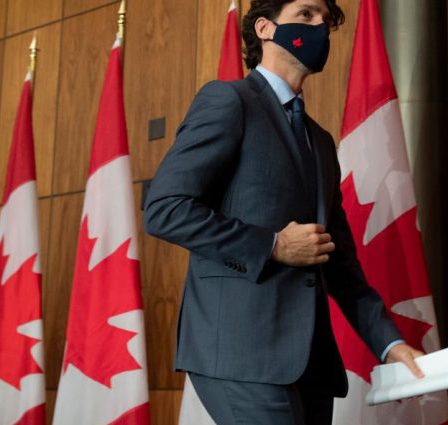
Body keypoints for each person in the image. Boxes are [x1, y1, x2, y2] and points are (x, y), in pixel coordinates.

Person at [144, 0, 424, 423]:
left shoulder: (321, 142)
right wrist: (272, 245)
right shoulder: (228, 101)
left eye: (326, 23)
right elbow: (165, 208)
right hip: (241, 353)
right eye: (307, 15)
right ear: (264, 28)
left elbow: (340, 262)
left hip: (310, 364)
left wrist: (390, 344)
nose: (321, 29)